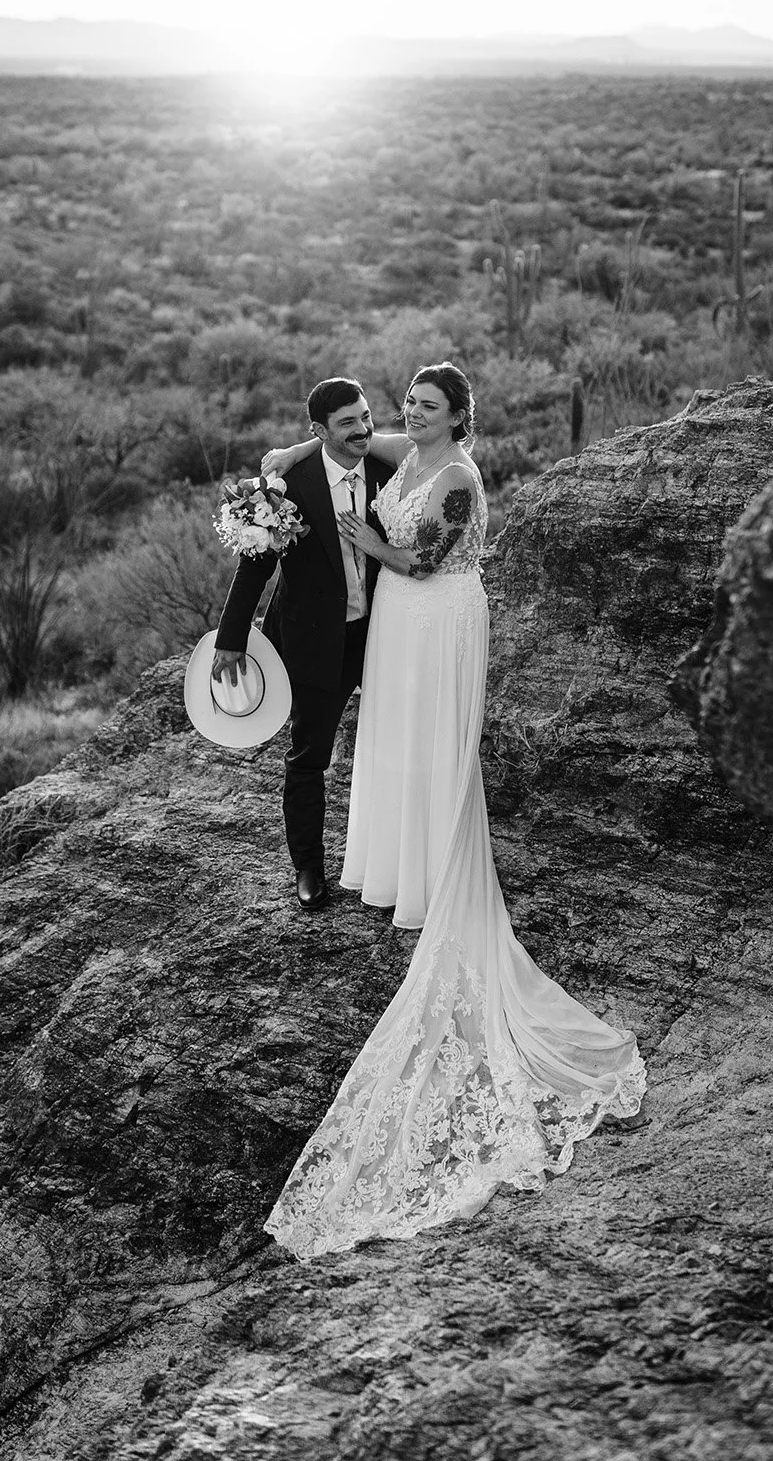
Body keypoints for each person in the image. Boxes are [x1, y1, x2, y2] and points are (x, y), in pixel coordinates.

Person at [256, 363, 646, 1259]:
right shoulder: (411, 448)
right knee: (392, 740)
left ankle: (436, 874)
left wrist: (366, 537)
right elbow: (350, 441)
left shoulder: (459, 478)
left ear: (459, 417)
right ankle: (390, 864)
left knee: (434, 744)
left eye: (427, 407)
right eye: (407, 405)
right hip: (398, 622)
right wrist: (288, 452)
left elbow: (423, 559)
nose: (409, 415)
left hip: (436, 615)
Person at [212, 376, 397, 912]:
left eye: (366, 417)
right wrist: (231, 639)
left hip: (384, 633)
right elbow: (255, 568)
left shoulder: (391, 470)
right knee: (310, 756)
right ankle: (308, 868)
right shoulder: (286, 487)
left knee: (393, 747)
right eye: (348, 423)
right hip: (315, 639)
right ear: (319, 430)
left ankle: (391, 861)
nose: (363, 429)